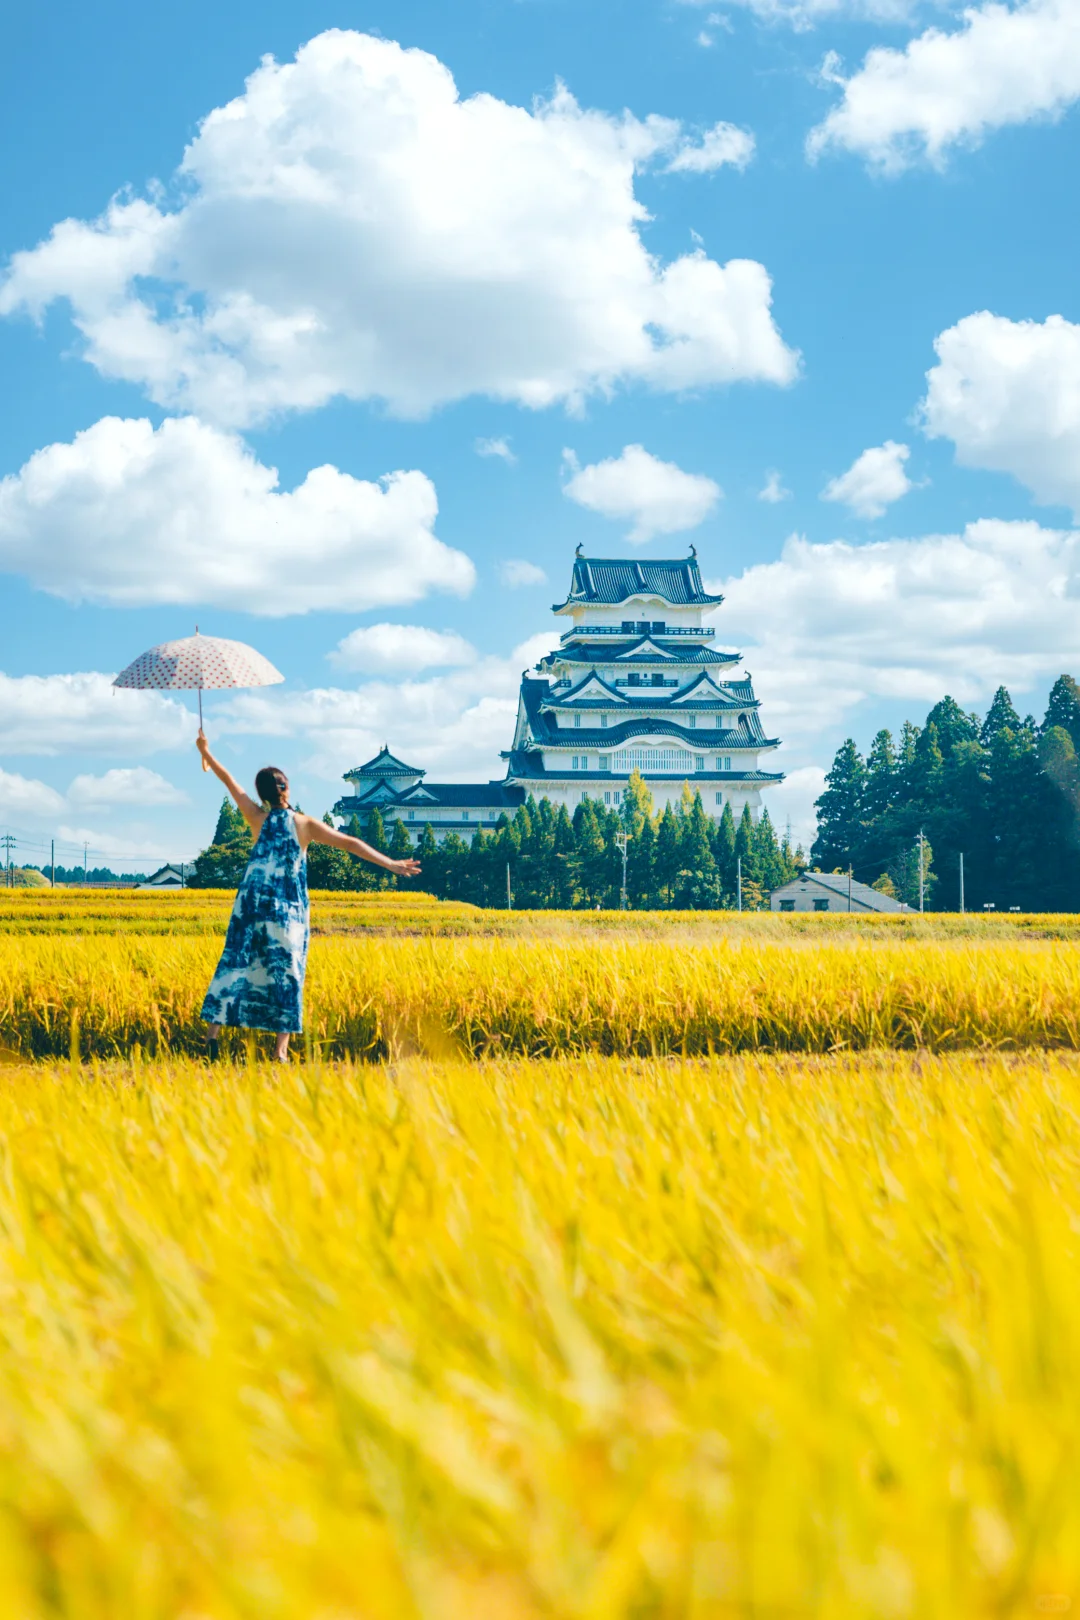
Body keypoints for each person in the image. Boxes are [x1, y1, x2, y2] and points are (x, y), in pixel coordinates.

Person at [196, 730, 420, 1061]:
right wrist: (391, 864)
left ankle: (212, 1038)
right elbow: (349, 843)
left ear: (262, 793)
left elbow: (229, 780)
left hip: (251, 906)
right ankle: (280, 1051)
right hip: (287, 911)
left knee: (235, 963)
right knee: (287, 972)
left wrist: (206, 751)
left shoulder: (256, 817)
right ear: (286, 789)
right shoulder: (304, 824)